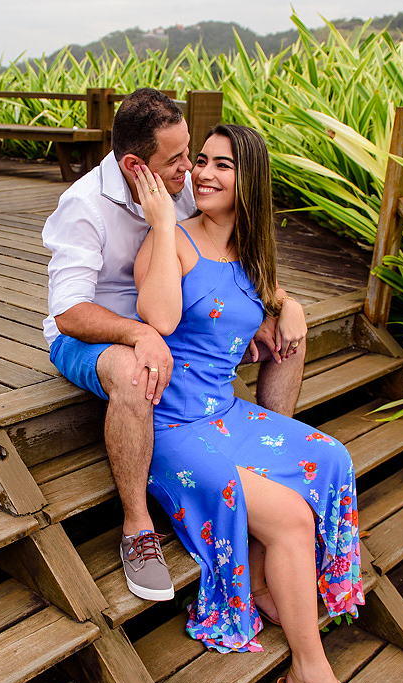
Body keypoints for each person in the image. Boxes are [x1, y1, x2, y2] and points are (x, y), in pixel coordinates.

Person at [131, 123, 376, 683]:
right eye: (201, 163)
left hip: (228, 413)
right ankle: (310, 675)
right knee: (291, 516)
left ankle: (273, 585)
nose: (204, 174)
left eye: (222, 166)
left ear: (250, 182)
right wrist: (161, 224)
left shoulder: (250, 251)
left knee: (332, 455)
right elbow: (157, 316)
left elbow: (260, 292)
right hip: (173, 426)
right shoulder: (175, 241)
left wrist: (287, 304)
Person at [43, 89, 306, 604]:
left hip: (170, 323)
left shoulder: (180, 185)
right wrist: (140, 333)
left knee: (282, 334)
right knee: (131, 369)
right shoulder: (84, 206)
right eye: (179, 158)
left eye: (193, 153)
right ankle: (138, 527)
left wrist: (275, 302)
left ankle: (267, 454)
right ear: (137, 166)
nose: (192, 168)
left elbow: (217, 253)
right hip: (92, 336)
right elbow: (68, 313)